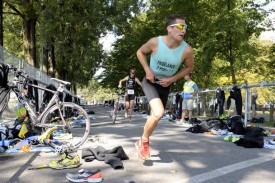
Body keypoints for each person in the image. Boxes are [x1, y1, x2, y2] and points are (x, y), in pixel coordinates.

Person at [135, 14, 194, 160]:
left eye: (185, 27)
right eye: (180, 26)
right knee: (159, 112)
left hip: (165, 84)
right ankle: (144, 142)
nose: (184, 30)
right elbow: (140, 52)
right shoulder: (155, 42)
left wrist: (172, 79)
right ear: (169, 28)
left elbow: (189, 68)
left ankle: (142, 140)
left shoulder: (187, 50)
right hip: (150, 81)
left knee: (156, 116)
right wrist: (148, 70)